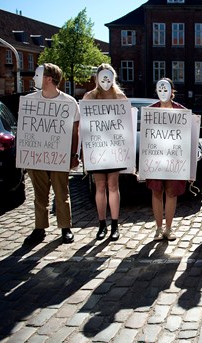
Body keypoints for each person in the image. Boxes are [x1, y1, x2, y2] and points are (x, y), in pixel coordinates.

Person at [23, 63, 80, 245]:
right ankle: (40, 228)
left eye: (37, 75)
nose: (33, 78)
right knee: (40, 194)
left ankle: (65, 227)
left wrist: (73, 155)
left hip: (59, 156)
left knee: (61, 193)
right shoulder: (30, 101)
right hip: (37, 156)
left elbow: (74, 131)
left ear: (49, 79)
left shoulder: (69, 102)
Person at [82, 63, 128, 241]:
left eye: (109, 77)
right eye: (102, 77)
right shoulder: (89, 97)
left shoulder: (120, 98)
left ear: (113, 78)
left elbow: (126, 127)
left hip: (114, 148)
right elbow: (85, 128)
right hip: (97, 148)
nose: (106, 81)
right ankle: (101, 224)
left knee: (113, 186)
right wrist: (84, 153)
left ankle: (115, 225)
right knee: (100, 186)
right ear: (97, 79)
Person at [147, 78, 187, 241]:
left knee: (171, 193)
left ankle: (168, 228)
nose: (163, 92)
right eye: (160, 89)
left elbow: (186, 137)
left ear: (172, 91)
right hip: (155, 158)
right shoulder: (150, 112)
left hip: (173, 159)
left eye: (166, 89)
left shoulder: (181, 111)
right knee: (156, 192)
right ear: (156, 91)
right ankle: (158, 228)